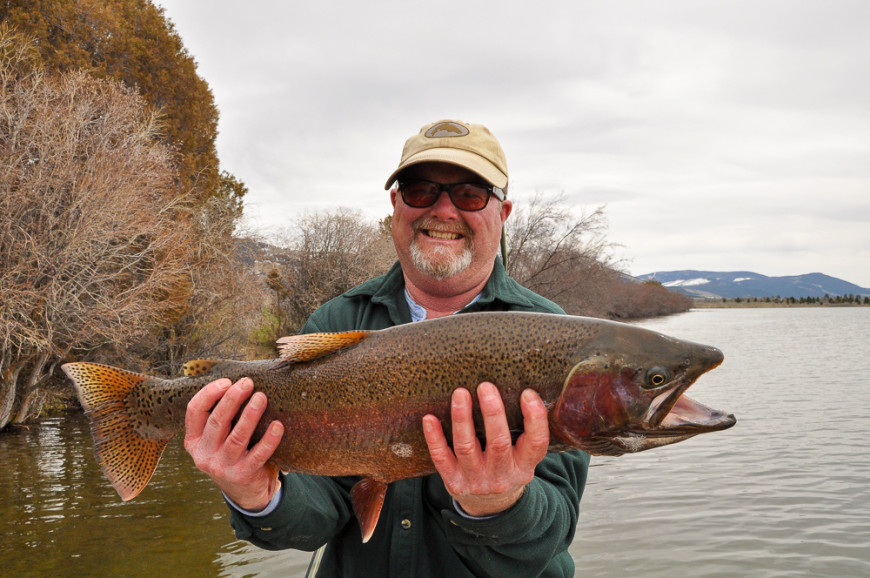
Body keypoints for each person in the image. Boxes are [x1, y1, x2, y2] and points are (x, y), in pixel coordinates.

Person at [184, 120, 591, 576]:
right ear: (396, 204)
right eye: (420, 190)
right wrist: (258, 495)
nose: (443, 209)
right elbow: (316, 520)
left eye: (470, 194)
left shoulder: (554, 337)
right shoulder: (337, 320)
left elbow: (550, 536)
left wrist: (498, 504)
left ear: (503, 212)